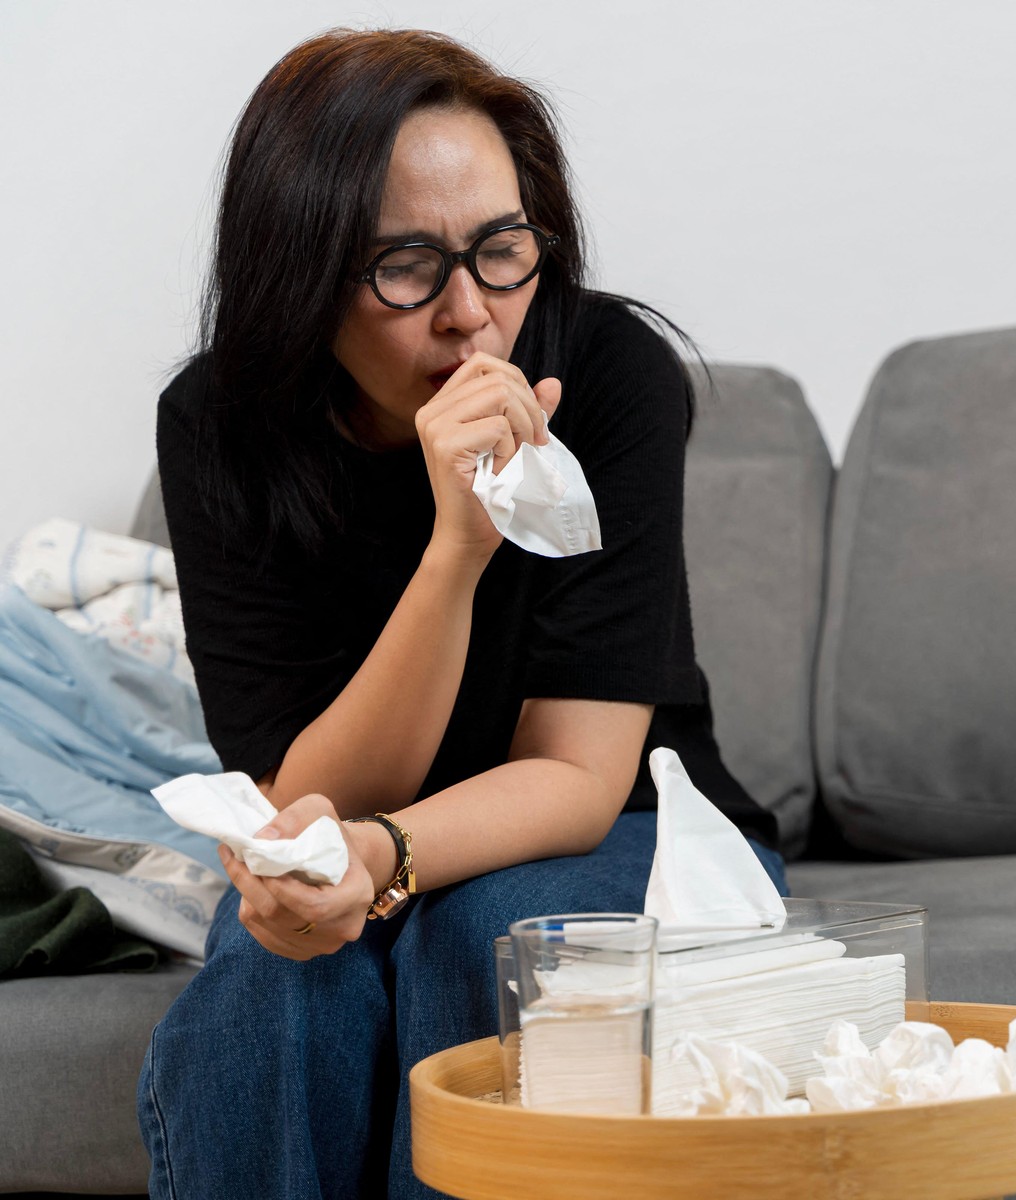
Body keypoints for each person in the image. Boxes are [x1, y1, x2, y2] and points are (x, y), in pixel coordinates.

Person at [135, 27, 786, 1199]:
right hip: (358, 827)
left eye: (501, 250)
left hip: (627, 830)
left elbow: (580, 778)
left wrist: (382, 864)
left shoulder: (607, 372)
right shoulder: (218, 425)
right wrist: (453, 553)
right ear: (301, 274)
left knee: (486, 939)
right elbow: (306, 803)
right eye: (404, 266)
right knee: (271, 992)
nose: (471, 316)